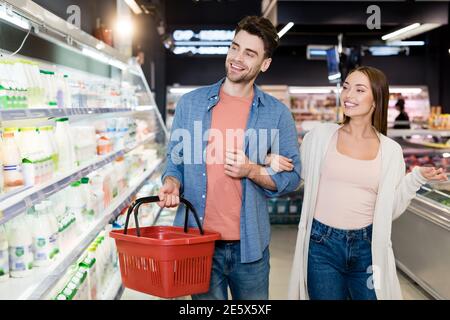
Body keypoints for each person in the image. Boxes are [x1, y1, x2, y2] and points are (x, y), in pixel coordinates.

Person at [157, 16, 301, 300]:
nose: (237, 58)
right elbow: (174, 163)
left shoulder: (276, 113)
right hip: (198, 243)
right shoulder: (191, 104)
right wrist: (172, 182)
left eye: (249, 53)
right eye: (234, 47)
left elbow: (292, 178)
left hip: (250, 248)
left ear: (265, 64)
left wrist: (252, 170)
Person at [288, 66, 447, 300]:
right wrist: (272, 162)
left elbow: (388, 210)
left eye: (359, 90)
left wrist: (417, 178)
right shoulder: (320, 137)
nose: (348, 95)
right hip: (322, 245)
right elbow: (295, 178)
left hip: (368, 248)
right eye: (346, 87)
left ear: (376, 99)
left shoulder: (391, 151)